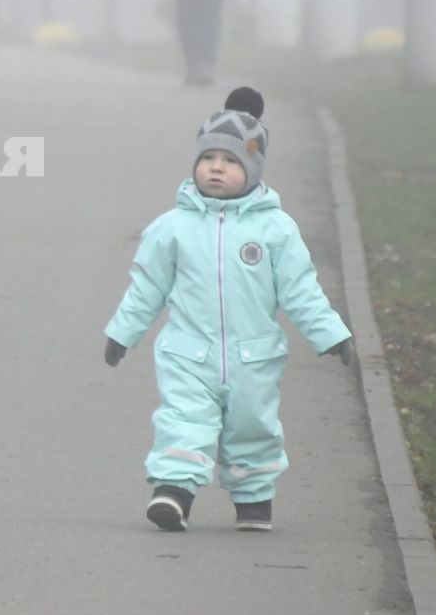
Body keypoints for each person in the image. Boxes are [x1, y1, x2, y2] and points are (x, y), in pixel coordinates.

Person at [101, 86, 352, 533]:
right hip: (187, 353)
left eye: (232, 161)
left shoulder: (275, 229)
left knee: (253, 428)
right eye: (209, 158)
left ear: (254, 171)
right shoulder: (173, 228)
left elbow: (300, 289)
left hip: (252, 356)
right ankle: (173, 492)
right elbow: (147, 286)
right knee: (184, 420)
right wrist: (123, 332)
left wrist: (331, 334)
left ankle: (253, 499)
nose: (217, 167)